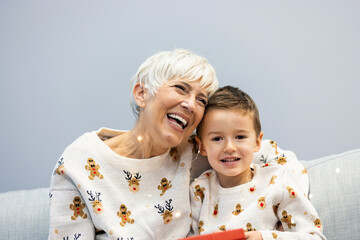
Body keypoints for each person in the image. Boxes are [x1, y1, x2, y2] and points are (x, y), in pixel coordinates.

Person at [48, 49, 219, 240]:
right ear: (141, 94)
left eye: (201, 100)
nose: (191, 105)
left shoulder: (198, 150)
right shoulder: (79, 162)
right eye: (180, 88)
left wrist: (260, 235)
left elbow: (253, 151)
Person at [190, 86, 326, 239]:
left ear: (257, 142)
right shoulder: (199, 191)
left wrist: (263, 237)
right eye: (217, 139)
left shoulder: (276, 181)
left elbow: (314, 237)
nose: (229, 147)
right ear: (202, 146)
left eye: (240, 137)